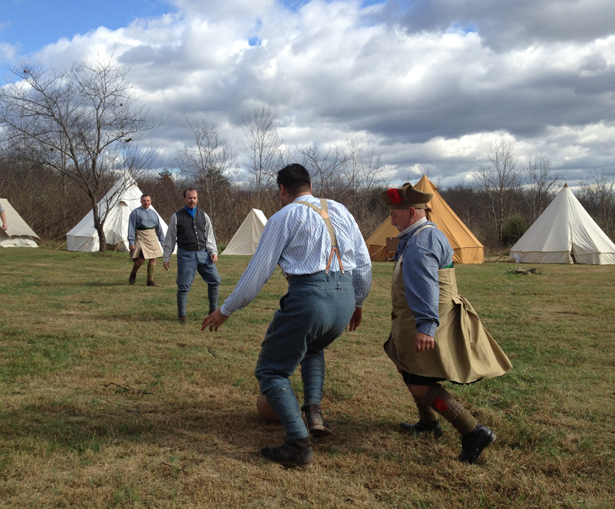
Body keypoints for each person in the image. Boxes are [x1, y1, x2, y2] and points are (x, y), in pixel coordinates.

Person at [201, 164, 372, 469]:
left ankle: (298, 444)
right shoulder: (340, 210)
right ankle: (314, 412)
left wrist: (225, 310)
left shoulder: (283, 217)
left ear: (282, 190)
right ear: (309, 184)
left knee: (271, 371)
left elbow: (257, 273)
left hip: (310, 297)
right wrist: (357, 301)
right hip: (344, 296)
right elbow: (363, 262)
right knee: (314, 348)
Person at [381, 183, 512, 464]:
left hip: (425, 318)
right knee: (409, 368)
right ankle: (428, 424)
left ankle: (473, 432)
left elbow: (426, 286)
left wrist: (426, 327)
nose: (391, 220)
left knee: (419, 383)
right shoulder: (423, 233)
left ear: (412, 213)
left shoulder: (421, 241)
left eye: (395, 213)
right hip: (417, 316)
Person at [163, 188, 220, 324]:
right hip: (185, 254)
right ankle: (182, 316)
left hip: (203, 253)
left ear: (197, 199)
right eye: (189, 198)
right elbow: (170, 238)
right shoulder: (176, 216)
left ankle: (213, 311)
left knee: (215, 280)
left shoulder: (204, 215)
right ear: (184, 199)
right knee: (183, 285)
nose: (192, 200)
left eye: (194, 198)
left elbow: (209, 236)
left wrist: (213, 252)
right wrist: (166, 257)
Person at [128, 194, 166, 286]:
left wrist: (162, 241)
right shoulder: (135, 212)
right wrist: (131, 241)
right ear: (141, 201)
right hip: (141, 235)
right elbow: (131, 227)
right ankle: (133, 272)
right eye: (144, 200)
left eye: (148, 200)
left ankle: (150, 281)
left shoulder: (154, 213)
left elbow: (159, 228)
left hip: (152, 236)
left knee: (153, 258)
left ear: (151, 201)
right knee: (141, 259)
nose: (146, 202)